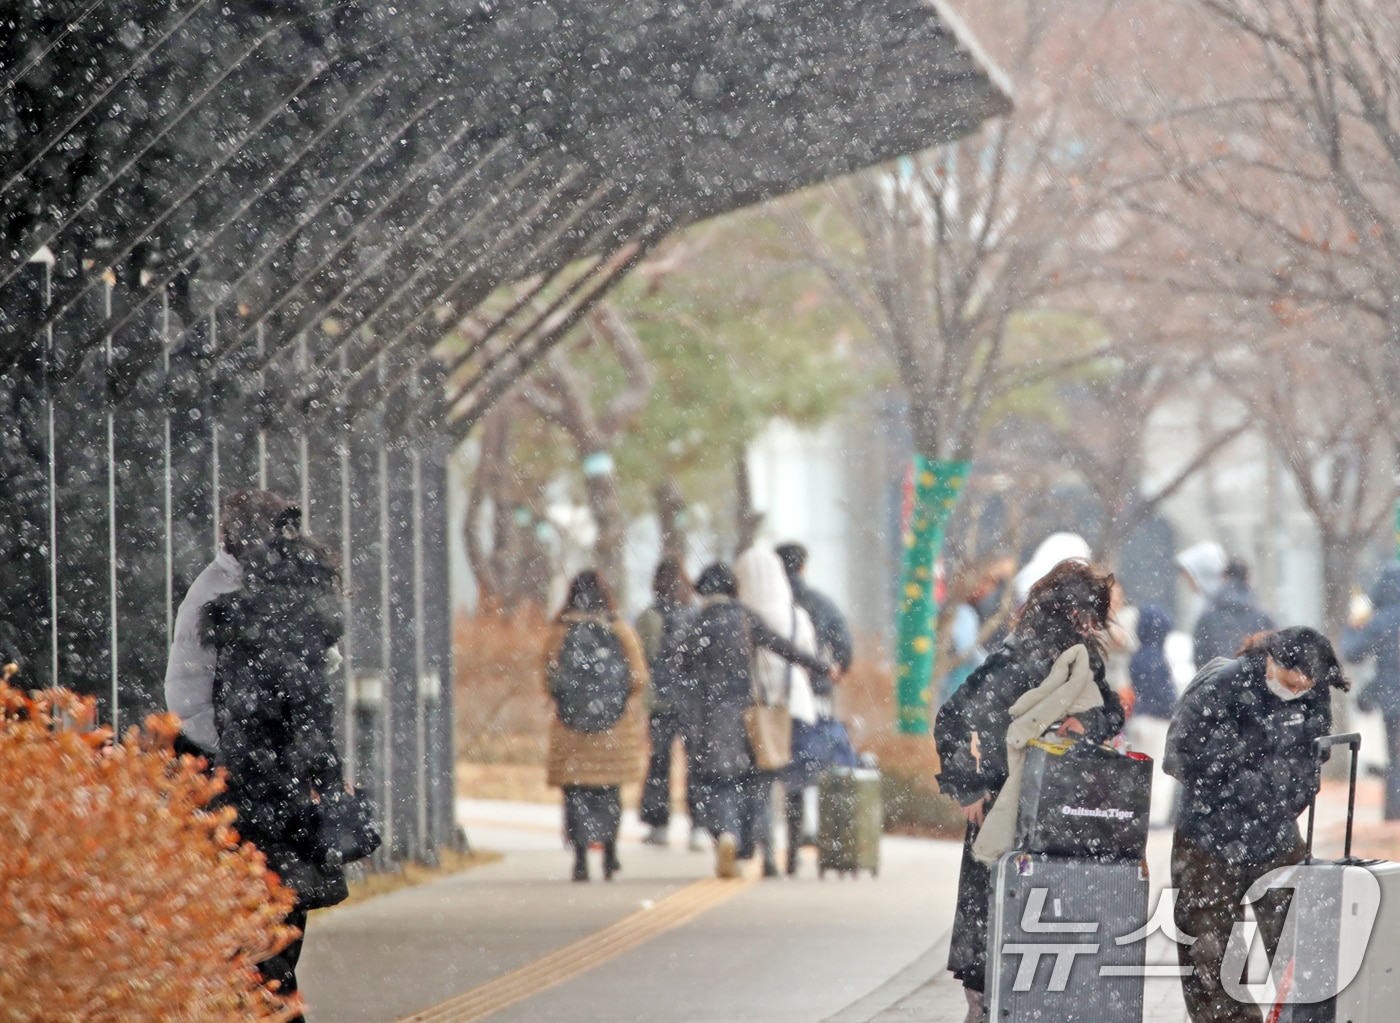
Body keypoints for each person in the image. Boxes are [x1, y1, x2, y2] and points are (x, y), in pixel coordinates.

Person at [934, 559, 1124, 1023]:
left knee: (1045, 935)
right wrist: (969, 788)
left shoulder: (1084, 657)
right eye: (1083, 614)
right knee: (993, 938)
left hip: (1064, 809)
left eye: (1093, 616)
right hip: (1007, 804)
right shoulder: (1017, 656)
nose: (1089, 624)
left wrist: (1087, 722)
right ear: (1063, 609)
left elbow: (1113, 711)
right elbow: (954, 718)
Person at [204, 503, 346, 1018]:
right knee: (282, 925)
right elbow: (312, 724)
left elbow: (224, 705)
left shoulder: (232, 623)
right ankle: (277, 1008)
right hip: (284, 800)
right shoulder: (297, 635)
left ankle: (267, 1003)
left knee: (258, 924)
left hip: (237, 786)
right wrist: (328, 788)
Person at [1164, 627, 1346, 1023]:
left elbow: (1311, 762)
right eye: (1290, 681)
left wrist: (1281, 799)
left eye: (1307, 685)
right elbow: (1179, 755)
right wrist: (1244, 784)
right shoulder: (1223, 685)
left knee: (1302, 943)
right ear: (1272, 662)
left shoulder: (1313, 694)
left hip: (1276, 836)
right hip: (1208, 840)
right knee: (1210, 955)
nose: (1298, 689)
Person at [678, 561, 831, 880]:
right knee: (755, 785)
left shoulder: (698, 625)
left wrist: (685, 719)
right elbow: (783, 648)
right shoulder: (745, 620)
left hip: (710, 719)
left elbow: (681, 672)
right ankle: (762, 853)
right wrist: (820, 666)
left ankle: (726, 834)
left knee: (717, 783)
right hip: (749, 718)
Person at [166, 489, 295, 759]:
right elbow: (186, 692)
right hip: (225, 759)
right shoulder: (209, 593)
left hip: (259, 754)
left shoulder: (272, 583)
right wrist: (227, 752)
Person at [543, 571, 649, 882]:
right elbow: (639, 676)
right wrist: (615, 698)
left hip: (570, 727)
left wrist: (573, 700)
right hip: (613, 728)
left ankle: (579, 859)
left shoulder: (560, 631)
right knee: (608, 791)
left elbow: (548, 678)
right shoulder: (619, 629)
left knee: (575, 792)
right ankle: (611, 853)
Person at [735, 546, 826, 877]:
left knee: (760, 785)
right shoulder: (795, 615)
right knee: (796, 786)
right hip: (797, 707)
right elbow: (809, 655)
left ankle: (768, 854)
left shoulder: (744, 618)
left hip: (760, 711)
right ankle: (794, 856)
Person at [634, 558, 700, 846]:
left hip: (661, 700)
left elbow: (642, 656)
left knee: (659, 763)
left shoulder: (649, 617)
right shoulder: (697, 615)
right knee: (695, 763)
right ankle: (699, 825)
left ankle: (658, 825)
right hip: (693, 702)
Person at [1341, 563, 1400, 819]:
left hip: (1393, 700)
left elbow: (1352, 652)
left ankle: (1395, 811)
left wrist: (1352, 626)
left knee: (1396, 756)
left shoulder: (1381, 620)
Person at [1127, 604, 1178, 827]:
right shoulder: (1158, 658)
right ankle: (1155, 818)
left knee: (1139, 771)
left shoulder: (1136, 656)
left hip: (1138, 718)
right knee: (1159, 772)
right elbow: (1164, 693)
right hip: (1158, 721)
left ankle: (1137, 812)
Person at [775, 542, 854, 675]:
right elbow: (844, 646)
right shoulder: (822, 603)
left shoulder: (767, 602)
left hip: (774, 688)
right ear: (802, 568)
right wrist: (833, 668)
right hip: (815, 684)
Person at [1191, 557, 1275, 670]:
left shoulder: (1209, 615)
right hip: (1253, 680)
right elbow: (1274, 652)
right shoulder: (1262, 616)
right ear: (1248, 579)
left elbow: (1199, 653)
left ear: (1224, 578)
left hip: (1217, 678)